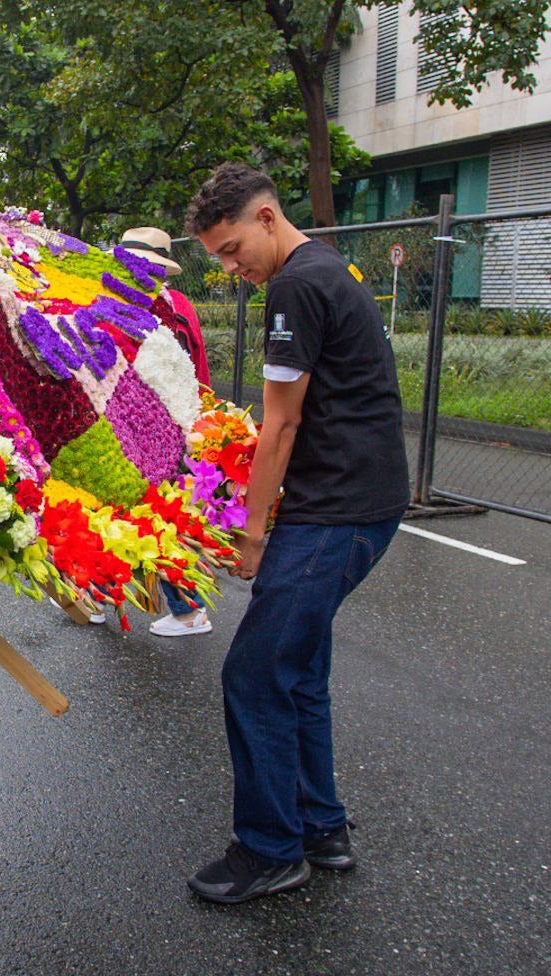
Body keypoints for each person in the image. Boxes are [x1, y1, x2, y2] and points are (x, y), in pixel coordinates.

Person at [182, 163, 409, 904]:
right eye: (217, 255)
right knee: (299, 668)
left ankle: (271, 849)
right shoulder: (328, 270)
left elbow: (281, 422)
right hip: (362, 502)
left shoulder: (297, 284)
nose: (229, 266)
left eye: (230, 246)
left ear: (267, 217)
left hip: (335, 510)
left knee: (253, 675)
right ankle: (320, 827)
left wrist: (251, 533)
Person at [117, 228, 214, 639]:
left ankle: (188, 610)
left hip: (153, 431)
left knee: (157, 517)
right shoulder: (178, 305)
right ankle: (101, 594)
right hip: (160, 426)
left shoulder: (144, 306)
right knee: (132, 515)